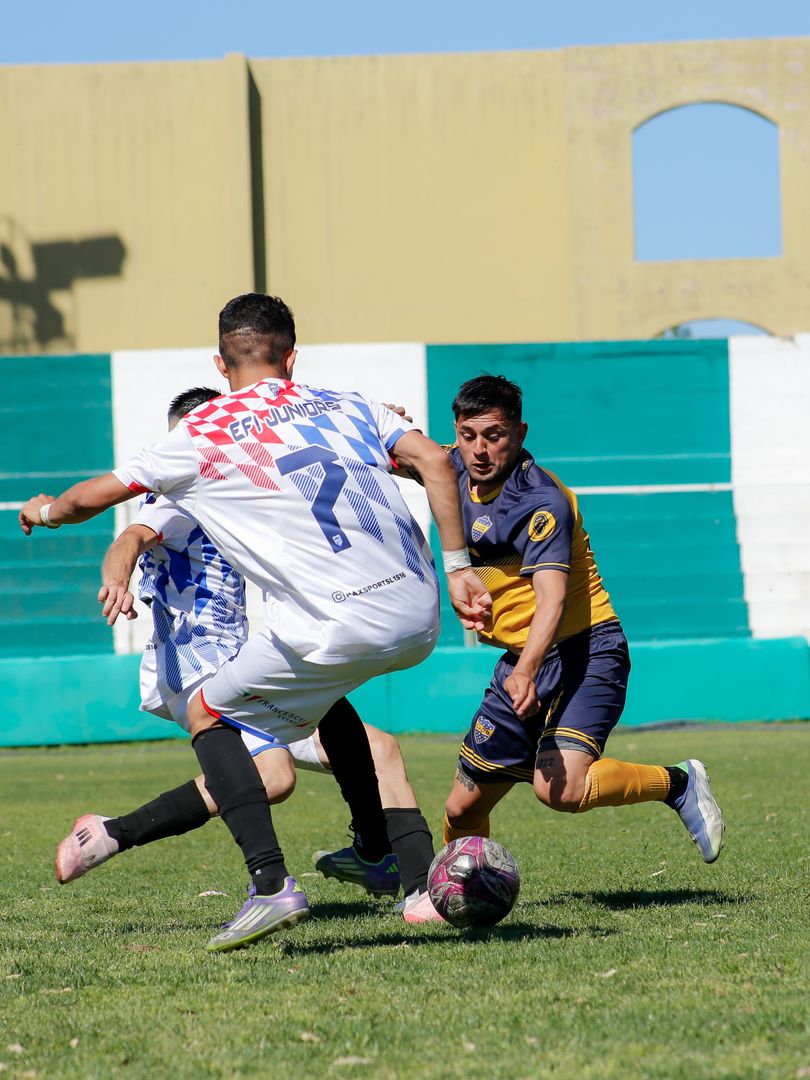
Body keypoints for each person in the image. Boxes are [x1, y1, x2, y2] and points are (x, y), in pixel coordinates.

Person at [20, 293, 490, 951]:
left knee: (211, 715)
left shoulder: (204, 433)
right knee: (351, 736)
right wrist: (460, 566)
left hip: (332, 621)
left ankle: (270, 884)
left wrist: (43, 512)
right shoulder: (348, 404)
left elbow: (87, 500)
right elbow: (437, 461)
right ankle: (406, 880)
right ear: (291, 357)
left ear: (221, 364)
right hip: (418, 613)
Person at [55, 388, 438, 917]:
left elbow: (312, 459)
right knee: (275, 777)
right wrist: (116, 579)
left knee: (381, 750)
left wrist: (378, 430)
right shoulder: (176, 494)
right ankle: (117, 834)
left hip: (240, 657)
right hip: (193, 662)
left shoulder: (239, 478)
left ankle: (392, 869)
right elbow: (130, 539)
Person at [425, 375, 724, 867]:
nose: (479, 450)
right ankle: (456, 892)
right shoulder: (450, 465)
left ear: (520, 433)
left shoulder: (541, 500)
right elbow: (399, 453)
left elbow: (552, 599)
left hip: (586, 649)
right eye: (467, 435)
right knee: (463, 808)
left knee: (560, 790)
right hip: (523, 658)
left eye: (494, 436)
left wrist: (526, 671)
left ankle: (677, 782)